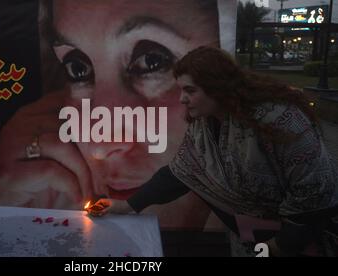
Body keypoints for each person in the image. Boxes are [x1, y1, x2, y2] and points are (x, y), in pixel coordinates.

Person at [0, 0, 237, 229]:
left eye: (152, 61)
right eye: (78, 68)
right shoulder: (53, 208)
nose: (98, 145)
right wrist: (11, 229)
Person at [90, 46, 338, 257]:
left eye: (190, 90)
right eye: (181, 91)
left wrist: (278, 246)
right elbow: (181, 173)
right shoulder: (204, 125)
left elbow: (314, 193)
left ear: (218, 87)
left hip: (298, 243)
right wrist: (128, 206)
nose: (183, 100)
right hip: (250, 239)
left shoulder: (280, 120)